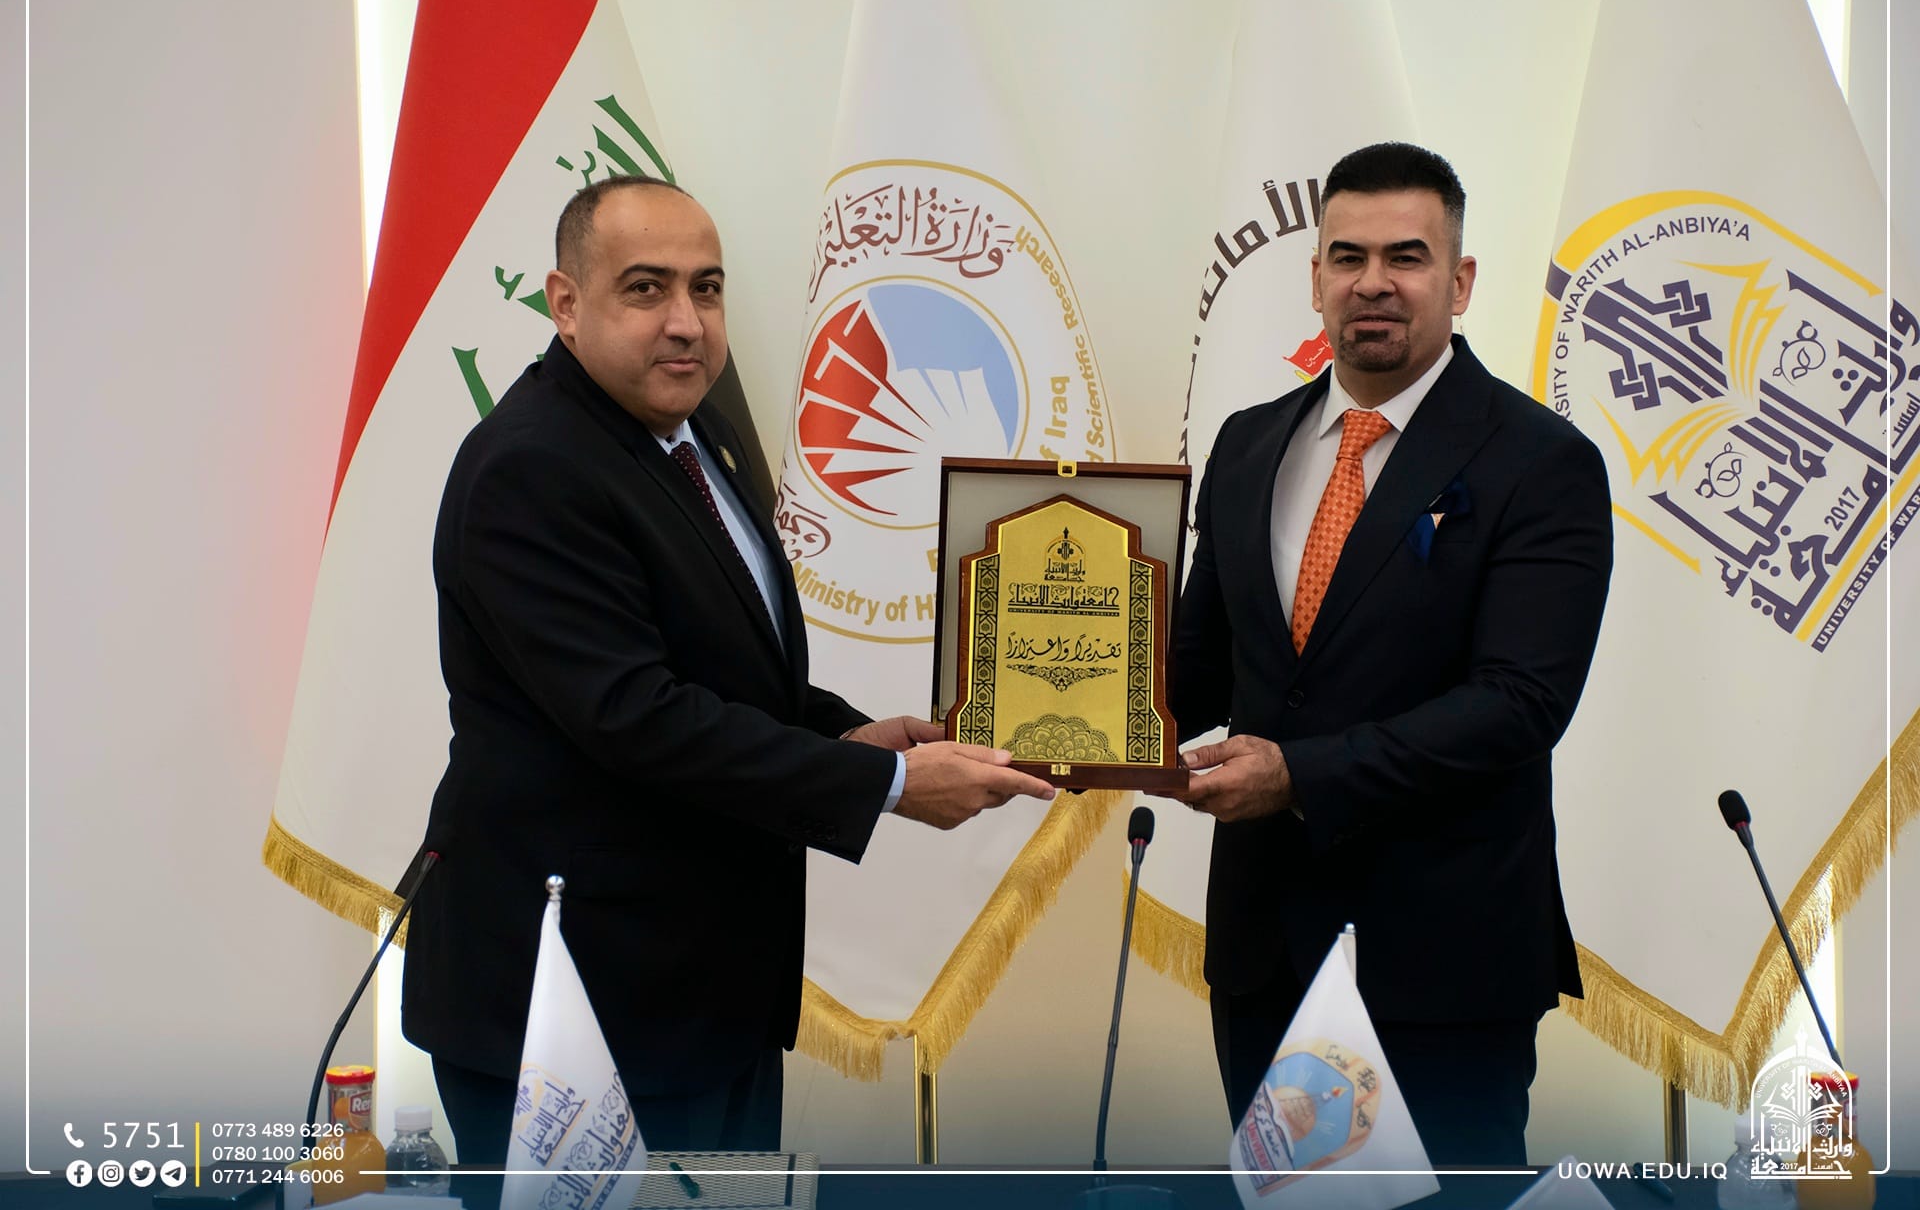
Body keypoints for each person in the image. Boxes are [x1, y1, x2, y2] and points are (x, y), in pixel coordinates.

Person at [401, 174, 1053, 1183]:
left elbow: (725, 663)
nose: (685, 322)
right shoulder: (531, 467)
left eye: (705, 289)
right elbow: (639, 716)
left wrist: (844, 734)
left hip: (705, 998)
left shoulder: (689, 431)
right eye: (645, 288)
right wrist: (883, 785)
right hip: (580, 1017)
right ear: (565, 304)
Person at [1171, 141, 1613, 1167]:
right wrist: (1034, 709)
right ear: (1316, 278)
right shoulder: (1247, 444)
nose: (1373, 282)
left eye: (1406, 256)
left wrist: (1297, 775)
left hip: (1442, 961)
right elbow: (1199, 667)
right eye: (1348, 256)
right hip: (1265, 952)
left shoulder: (1541, 461)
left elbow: (1519, 702)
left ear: (1459, 281)